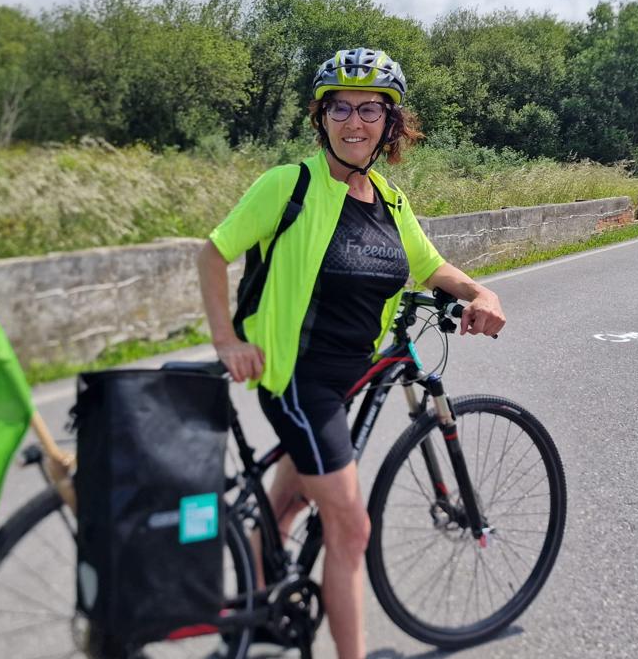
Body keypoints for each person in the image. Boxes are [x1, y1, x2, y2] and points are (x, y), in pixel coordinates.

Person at [196, 47, 506, 658]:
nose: (354, 121)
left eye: (370, 109)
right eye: (340, 107)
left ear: (390, 123)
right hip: (297, 380)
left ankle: (259, 615)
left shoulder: (389, 200)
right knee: (350, 527)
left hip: (349, 377)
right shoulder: (290, 185)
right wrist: (226, 341)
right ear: (322, 118)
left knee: (285, 503)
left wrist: (479, 291)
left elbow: (429, 265)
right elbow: (212, 253)